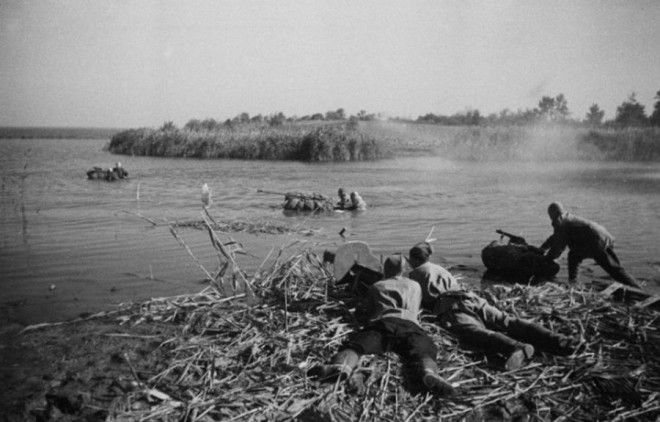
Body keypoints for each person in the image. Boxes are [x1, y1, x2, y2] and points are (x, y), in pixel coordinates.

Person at [407, 242, 575, 371]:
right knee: (506, 320)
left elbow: (416, 300)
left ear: (415, 259)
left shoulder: (414, 275)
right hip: (470, 297)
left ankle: (516, 347)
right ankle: (560, 340)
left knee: (472, 331)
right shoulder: (438, 268)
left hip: (451, 305)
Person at [308, 256, 455, 396]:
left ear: (386, 269)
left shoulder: (377, 286)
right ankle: (429, 372)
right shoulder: (415, 285)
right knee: (424, 349)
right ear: (403, 269)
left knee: (357, 346)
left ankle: (341, 366)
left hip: (383, 323)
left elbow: (365, 312)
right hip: (409, 325)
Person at [539, 202, 641, 289]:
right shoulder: (565, 218)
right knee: (574, 256)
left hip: (597, 242)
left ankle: (637, 289)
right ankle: (573, 283)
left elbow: (558, 248)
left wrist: (546, 259)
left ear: (552, 214)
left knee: (614, 270)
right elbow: (556, 237)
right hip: (602, 237)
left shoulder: (560, 222)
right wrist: (542, 248)